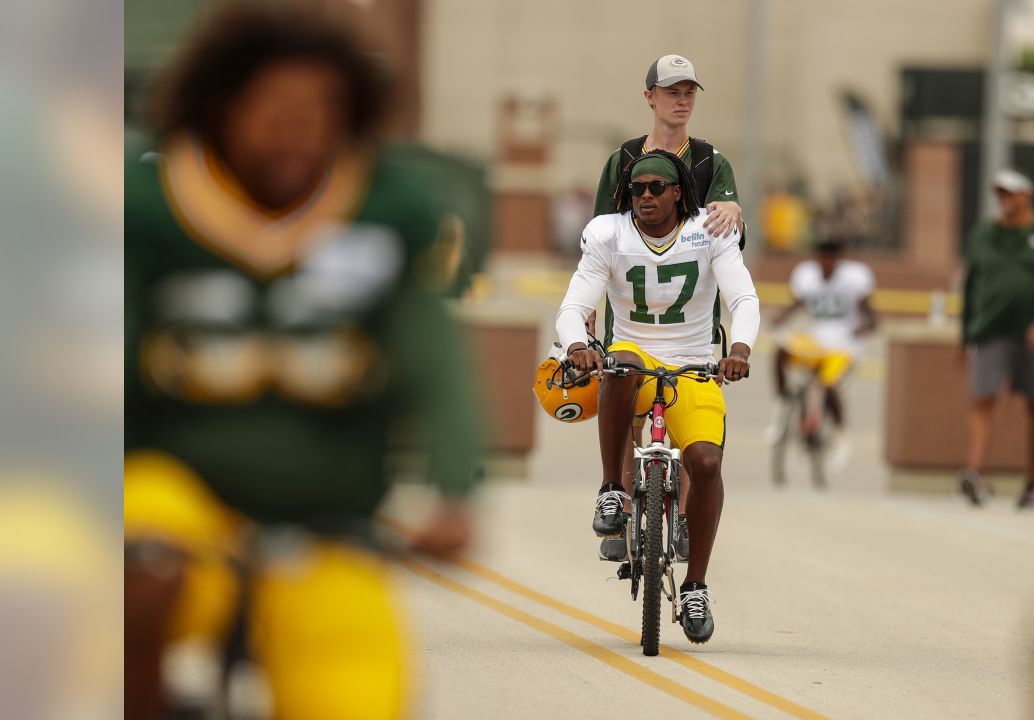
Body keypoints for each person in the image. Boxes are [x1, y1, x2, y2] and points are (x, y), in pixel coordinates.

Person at [124, 6, 481, 719]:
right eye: (276, 106)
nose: (300, 126)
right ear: (223, 106)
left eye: (322, 109)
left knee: (356, 698)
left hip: (327, 524)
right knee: (137, 566)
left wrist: (453, 486)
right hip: (175, 498)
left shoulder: (385, 212)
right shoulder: (152, 207)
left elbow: (432, 353)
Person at [556, 151, 759, 644]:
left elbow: (743, 299)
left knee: (707, 463)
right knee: (621, 364)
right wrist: (579, 344)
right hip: (634, 355)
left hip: (693, 361)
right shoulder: (609, 233)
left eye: (655, 188)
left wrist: (738, 349)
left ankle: (695, 586)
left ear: (677, 193)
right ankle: (612, 487)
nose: (645, 196)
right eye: (637, 188)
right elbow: (573, 305)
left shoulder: (707, 231)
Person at [589, 54, 744, 563]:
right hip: (631, 311)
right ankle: (624, 509)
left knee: (680, 418)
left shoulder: (709, 160)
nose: (682, 101)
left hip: (690, 318)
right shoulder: (624, 158)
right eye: (671, 91)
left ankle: (679, 519)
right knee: (631, 412)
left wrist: (736, 210)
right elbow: (601, 237)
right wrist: (587, 311)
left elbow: (729, 231)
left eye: (689, 92)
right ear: (650, 96)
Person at [957, 169, 1034, 509]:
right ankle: (975, 472)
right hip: (991, 330)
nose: (1004, 200)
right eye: (1000, 194)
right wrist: (964, 335)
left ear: (1026, 196)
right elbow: (971, 284)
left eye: (1010, 194)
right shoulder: (984, 234)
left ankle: (1032, 482)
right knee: (982, 399)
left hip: (1033, 337)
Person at [768, 239, 878, 473]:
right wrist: (780, 317)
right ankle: (782, 405)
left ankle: (841, 436)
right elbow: (797, 304)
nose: (825, 264)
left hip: (844, 346)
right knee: (781, 351)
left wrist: (862, 328)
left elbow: (874, 319)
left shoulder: (853, 279)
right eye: (822, 259)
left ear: (838, 259)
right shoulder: (807, 275)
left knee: (828, 385)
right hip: (816, 342)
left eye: (830, 259)